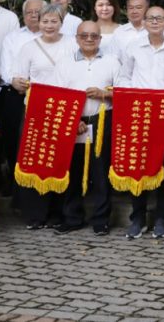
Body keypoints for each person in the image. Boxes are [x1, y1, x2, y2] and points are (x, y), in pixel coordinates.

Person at [117, 5, 164, 239]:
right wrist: (134, 94)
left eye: (160, 18)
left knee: (163, 169)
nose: (155, 22)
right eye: (150, 18)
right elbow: (124, 77)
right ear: (144, 22)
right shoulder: (133, 47)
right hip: (140, 118)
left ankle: (161, 217)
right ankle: (137, 217)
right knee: (139, 166)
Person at [51, 20, 121, 235]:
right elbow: (57, 96)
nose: (89, 39)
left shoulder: (112, 61)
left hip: (102, 119)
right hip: (75, 122)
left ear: (100, 38)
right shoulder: (64, 62)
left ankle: (101, 219)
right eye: (84, 36)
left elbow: (123, 92)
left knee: (101, 172)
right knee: (72, 170)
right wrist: (72, 121)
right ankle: (73, 217)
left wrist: (104, 94)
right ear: (77, 38)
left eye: (94, 36)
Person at [12, 3, 76, 229]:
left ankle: (58, 213)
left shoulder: (72, 44)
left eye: (54, 21)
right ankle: (35, 215)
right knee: (36, 160)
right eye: (45, 21)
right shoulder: (28, 48)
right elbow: (18, 80)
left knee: (60, 161)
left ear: (62, 23)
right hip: (36, 111)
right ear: (38, 22)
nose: (49, 25)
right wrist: (17, 82)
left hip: (63, 110)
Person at [0, 0, 44, 194]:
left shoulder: (53, 35)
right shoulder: (12, 37)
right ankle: (16, 182)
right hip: (16, 92)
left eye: (38, 12)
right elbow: (5, 66)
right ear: (23, 15)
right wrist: (13, 81)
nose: (34, 15)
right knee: (13, 137)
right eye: (29, 12)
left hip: (43, 94)